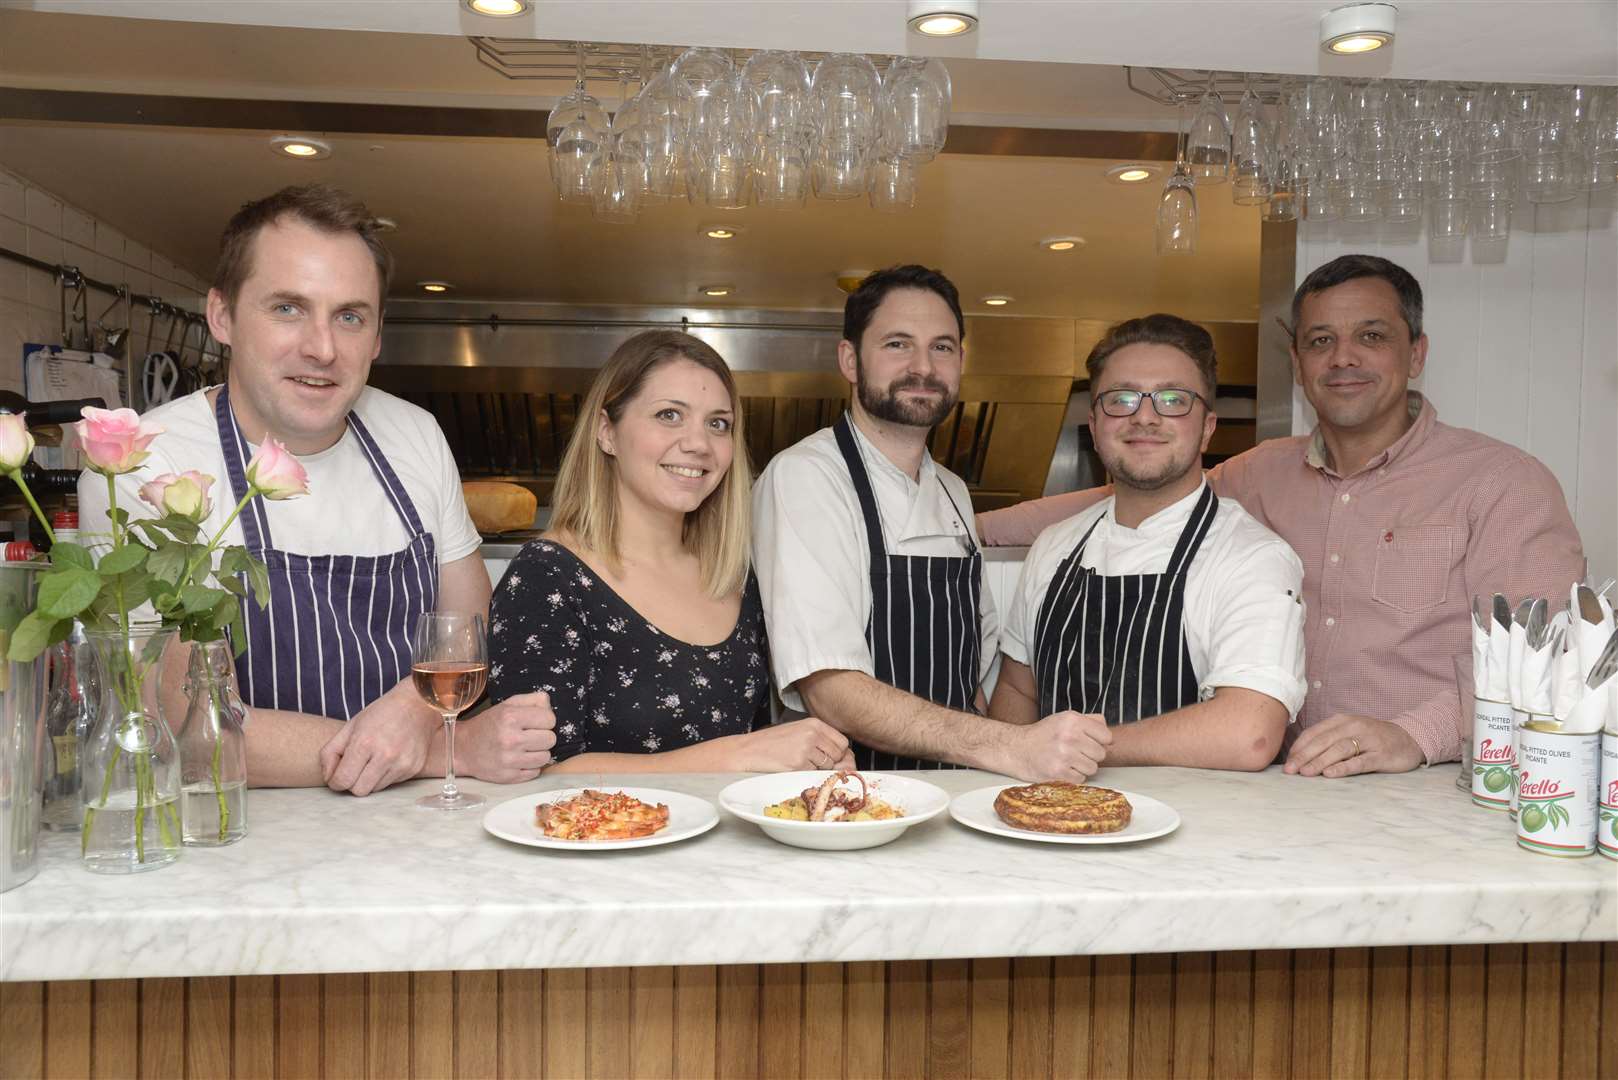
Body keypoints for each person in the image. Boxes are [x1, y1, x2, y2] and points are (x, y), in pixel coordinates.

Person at [979, 254, 1585, 777]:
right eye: (1321, 340)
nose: (1343, 358)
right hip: (1283, 789)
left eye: (1371, 336)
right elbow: (1139, 489)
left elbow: (1548, 660)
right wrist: (964, 524)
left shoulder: (1501, 484)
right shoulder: (1264, 471)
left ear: (1417, 352)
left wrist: (1415, 736)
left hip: (1425, 785)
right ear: (1297, 363)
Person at [79, 184, 556, 794]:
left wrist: (413, 714)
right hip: (231, 829)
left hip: (415, 831)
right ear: (221, 315)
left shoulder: (414, 435)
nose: (323, 348)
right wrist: (441, 751)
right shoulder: (142, 463)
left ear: (378, 336)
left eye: (350, 316)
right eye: (287, 308)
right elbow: (188, 721)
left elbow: (466, 625)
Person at [753, 265, 1110, 781]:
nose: (923, 366)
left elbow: (973, 675)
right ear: (850, 360)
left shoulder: (953, 491)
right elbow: (830, 688)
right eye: (898, 344)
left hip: (954, 788)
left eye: (942, 347)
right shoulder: (807, 477)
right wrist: (1009, 746)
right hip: (850, 797)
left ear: (962, 361)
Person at [487, 330, 851, 772]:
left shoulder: (733, 577)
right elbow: (540, 775)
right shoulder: (547, 577)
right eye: (669, 415)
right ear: (606, 432)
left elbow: (755, 760)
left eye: (718, 423)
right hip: (610, 843)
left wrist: (811, 759)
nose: (698, 443)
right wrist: (741, 754)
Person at [990, 315, 1306, 770]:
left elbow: (1248, 733)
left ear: (1208, 426)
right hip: (1051, 821)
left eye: (1173, 399)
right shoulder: (1055, 546)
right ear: (1095, 424)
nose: (1144, 416)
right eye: (1121, 399)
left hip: (1199, 830)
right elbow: (1020, 689)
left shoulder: (1252, 557)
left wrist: (1072, 750)